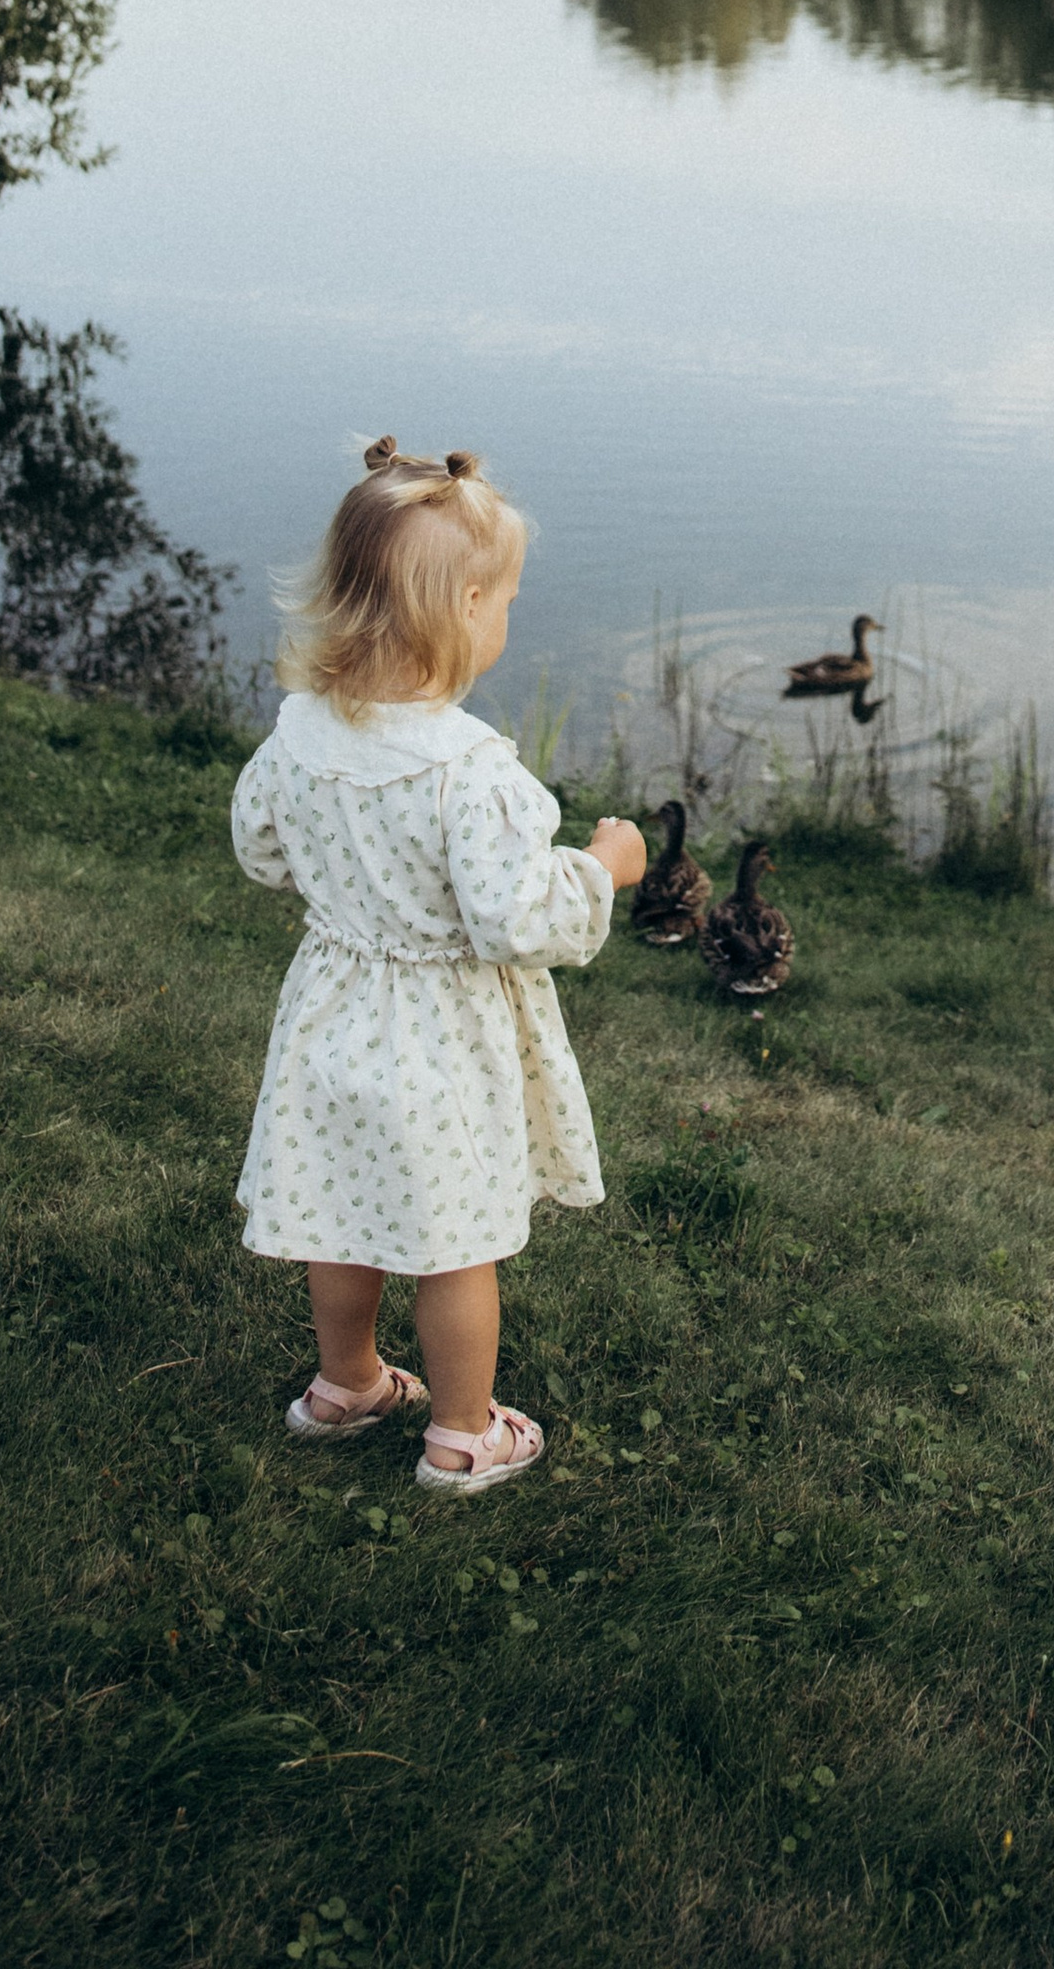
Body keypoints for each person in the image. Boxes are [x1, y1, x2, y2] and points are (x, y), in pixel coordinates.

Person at [229, 436, 646, 1494]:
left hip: (331, 1016)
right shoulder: (470, 770)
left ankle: (346, 1383)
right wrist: (601, 866)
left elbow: (261, 849)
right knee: (455, 1241)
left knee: (340, 1210)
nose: (506, 616)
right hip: (440, 1041)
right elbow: (516, 917)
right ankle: (462, 1434)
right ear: (465, 606)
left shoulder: (298, 733)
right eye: (504, 600)